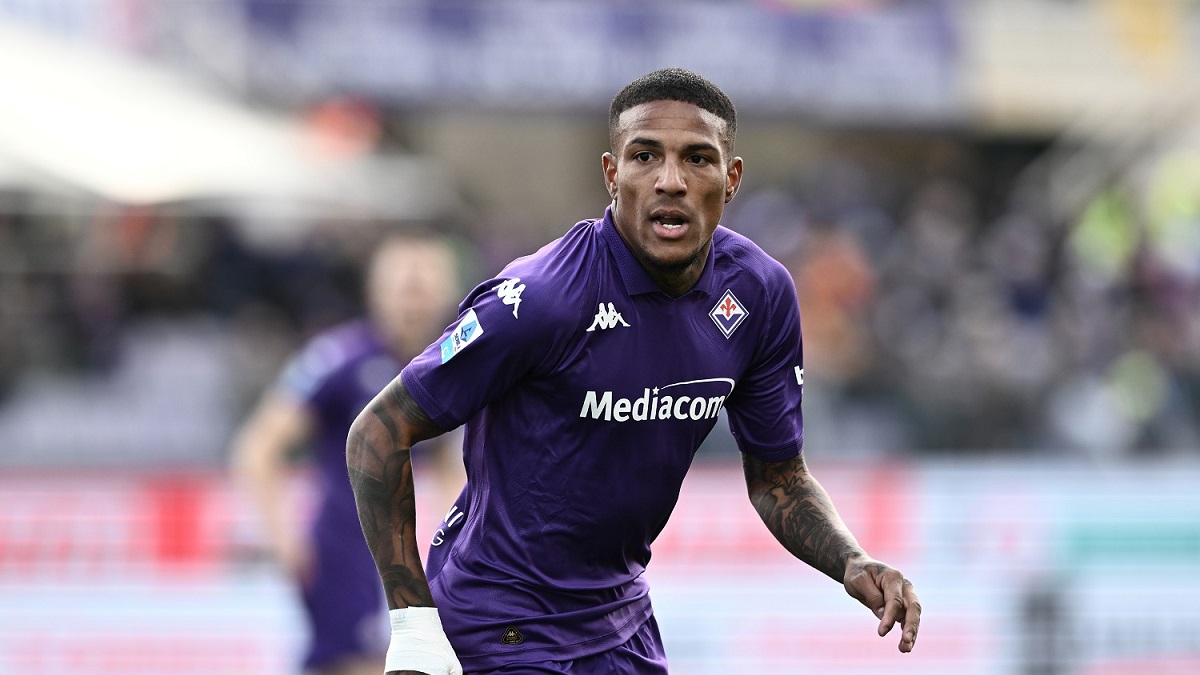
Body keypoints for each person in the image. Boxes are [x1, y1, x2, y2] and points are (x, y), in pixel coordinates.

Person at [347, 68, 921, 675]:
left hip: (619, 621)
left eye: (697, 158)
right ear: (612, 173)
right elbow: (378, 431)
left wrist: (851, 562)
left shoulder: (760, 293)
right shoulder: (542, 298)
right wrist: (412, 624)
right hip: (502, 628)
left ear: (731, 179)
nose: (670, 180)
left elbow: (778, 476)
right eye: (645, 156)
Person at [231, 231, 466, 675]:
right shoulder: (338, 358)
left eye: (424, 286)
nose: (414, 301)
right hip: (343, 548)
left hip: (407, 554)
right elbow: (259, 445)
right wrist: (282, 538)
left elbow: (450, 461)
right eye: (404, 286)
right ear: (375, 291)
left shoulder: (452, 364)